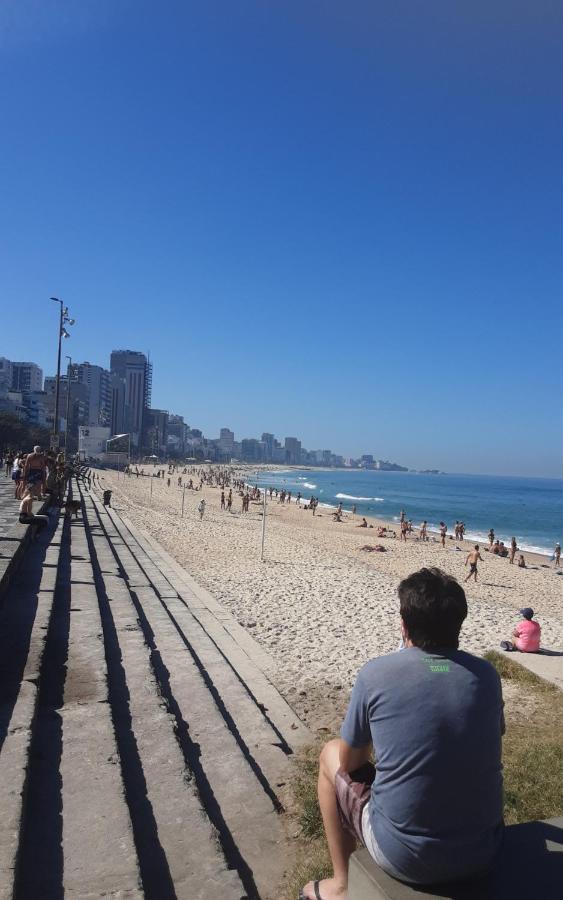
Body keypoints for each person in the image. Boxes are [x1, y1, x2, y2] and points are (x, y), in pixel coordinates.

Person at [299, 568, 504, 900]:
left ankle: (342, 885)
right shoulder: (486, 675)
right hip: (484, 849)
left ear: (404, 625)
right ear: (458, 624)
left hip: (405, 857)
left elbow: (351, 763)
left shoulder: (377, 673)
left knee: (330, 755)